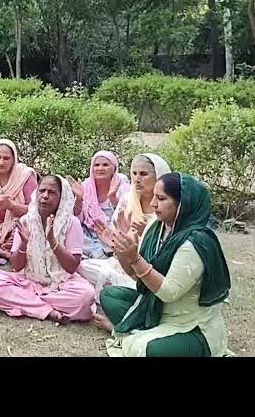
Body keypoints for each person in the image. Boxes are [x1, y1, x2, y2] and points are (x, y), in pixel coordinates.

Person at [94, 172, 231, 357]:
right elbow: (137, 278)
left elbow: (169, 292)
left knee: (147, 349)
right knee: (110, 295)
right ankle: (137, 333)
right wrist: (121, 252)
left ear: (183, 204)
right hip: (155, 309)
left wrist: (135, 259)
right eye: (154, 197)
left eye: (161, 198)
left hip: (189, 323)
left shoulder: (195, 242)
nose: (153, 203)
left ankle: (123, 332)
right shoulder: (156, 227)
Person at [0, 175, 96, 322]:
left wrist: (53, 243)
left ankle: (28, 303)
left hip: (62, 284)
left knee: (86, 296)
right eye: (42, 191)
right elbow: (16, 266)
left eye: (52, 192)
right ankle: (47, 310)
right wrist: (23, 244)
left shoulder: (71, 223)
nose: (45, 196)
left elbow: (72, 267)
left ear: (62, 198)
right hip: (28, 281)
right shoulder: (25, 221)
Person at [77, 153, 171, 299]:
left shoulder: (167, 206)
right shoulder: (127, 200)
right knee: (81, 268)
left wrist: (144, 235)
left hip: (151, 268)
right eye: (134, 173)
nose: (137, 179)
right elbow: (115, 241)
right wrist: (112, 241)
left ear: (159, 176)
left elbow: (168, 246)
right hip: (121, 264)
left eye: (143, 174)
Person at [67, 150, 130, 260]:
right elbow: (79, 218)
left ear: (114, 168)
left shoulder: (123, 186)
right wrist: (79, 198)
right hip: (90, 236)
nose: (100, 168)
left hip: (114, 234)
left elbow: (126, 216)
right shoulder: (85, 186)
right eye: (96, 165)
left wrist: (112, 198)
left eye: (105, 165)